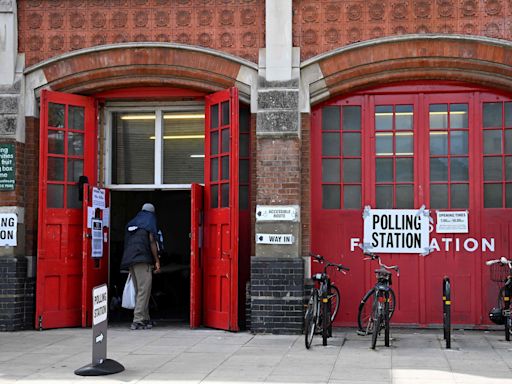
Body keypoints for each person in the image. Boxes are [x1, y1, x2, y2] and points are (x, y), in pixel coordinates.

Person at [120, 203, 161, 330]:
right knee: (144, 290)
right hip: (143, 260)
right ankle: (138, 319)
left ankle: (145, 318)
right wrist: (157, 260)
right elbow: (152, 241)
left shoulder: (133, 222)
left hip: (130, 260)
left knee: (141, 290)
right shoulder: (150, 221)